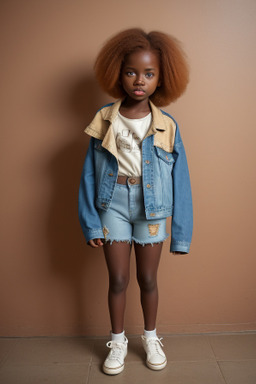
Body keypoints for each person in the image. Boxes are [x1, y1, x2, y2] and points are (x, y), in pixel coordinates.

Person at [78, 28, 193, 375]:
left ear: (162, 78)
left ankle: (150, 337)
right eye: (131, 72)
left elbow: (182, 181)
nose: (139, 80)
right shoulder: (105, 118)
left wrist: (182, 235)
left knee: (148, 279)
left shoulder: (167, 126)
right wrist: (90, 222)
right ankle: (117, 341)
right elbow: (87, 174)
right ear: (119, 73)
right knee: (117, 279)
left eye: (149, 73)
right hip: (112, 204)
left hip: (152, 208)